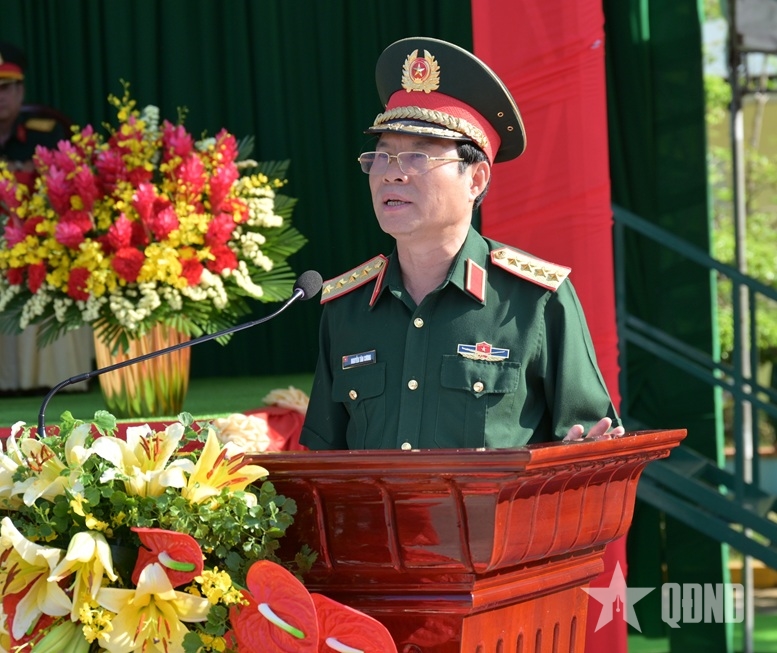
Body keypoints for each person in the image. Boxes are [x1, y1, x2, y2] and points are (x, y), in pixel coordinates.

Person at [300, 36, 624, 451]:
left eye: (418, 156)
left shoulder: (536, 301)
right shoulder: (346, 309)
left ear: (476, 179)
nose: (391, 173)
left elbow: (592, 447)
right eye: (382, 155)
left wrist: (581, 456)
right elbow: (323, 462)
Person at [0, 41, 93, 394]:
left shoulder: (46, 131)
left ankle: (52, 376)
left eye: (6, 88)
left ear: (20, 90)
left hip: (36, 238)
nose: (0, 97)